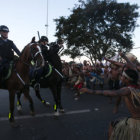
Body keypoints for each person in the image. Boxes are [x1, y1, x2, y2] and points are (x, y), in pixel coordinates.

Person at [80, 69, 140, 140]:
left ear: (127, 79)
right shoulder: (137, 87)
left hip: (136, 121)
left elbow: (112, 93)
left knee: (113, 124)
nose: (121, 77)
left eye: (122, 76)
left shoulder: (127, 90)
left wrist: (89, 91)